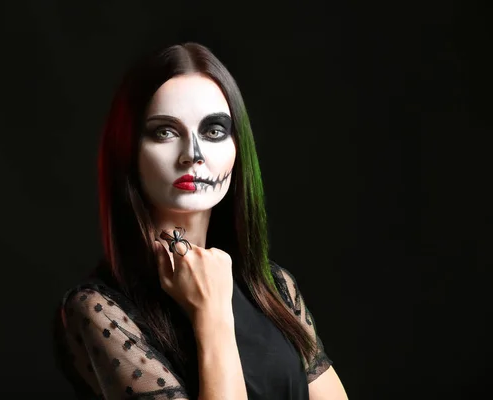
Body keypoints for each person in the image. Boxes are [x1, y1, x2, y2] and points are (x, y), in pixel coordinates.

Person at [52, 42, 348, 400]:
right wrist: (212, 314)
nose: (193, 155)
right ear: (129, 150)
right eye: (165, 131)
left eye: (213, 131)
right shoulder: (99, 311)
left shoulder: (275, 287)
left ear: (238, 149)